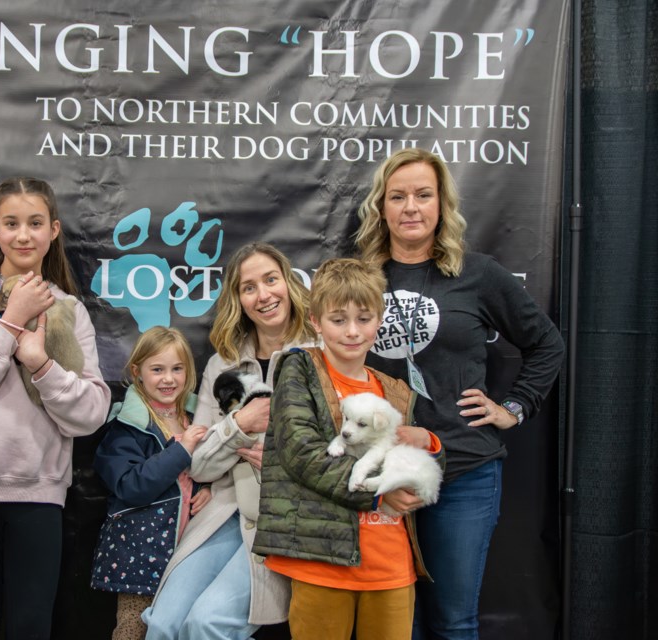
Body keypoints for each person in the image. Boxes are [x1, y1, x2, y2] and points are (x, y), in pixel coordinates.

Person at [355, 147, 565, 639]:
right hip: (383, 474)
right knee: (395, 622)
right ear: (381, 207)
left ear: (441, 204)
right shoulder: (360, 278)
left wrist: (513, 407)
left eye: (423, 195)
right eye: (398, 196)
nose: (411, 207)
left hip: (463, 471)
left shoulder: (478, 274)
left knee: (452, 621)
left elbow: (546, 344)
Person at [0, 176, 111, 640]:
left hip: (38, 489)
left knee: (31, 625)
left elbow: (90, 413)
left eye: (34, 223)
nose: (23, 235)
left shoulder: (69, 308)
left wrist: (40, 363)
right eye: (11, 223)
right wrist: (10, 321)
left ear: (53, 230)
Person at [253, 258, 444, 640]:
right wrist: (378, 496)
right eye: (339, 320)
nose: (353, 332)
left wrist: (431, 446)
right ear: (315, 321)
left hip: (391, 565)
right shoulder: (300, 368)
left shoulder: (396, 389)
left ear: (380, 319)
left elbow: (417, 456)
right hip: (322, 562)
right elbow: (301, 454)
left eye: (364, 318)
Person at [143, 242, 316, 640]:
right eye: (249, 287)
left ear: (289, 283)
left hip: (285, 518)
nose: (264, 295)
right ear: (238, 299)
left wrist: (270, 456)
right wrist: (239, 423)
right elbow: (200, 463)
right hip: (225, 509)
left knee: (208, 623)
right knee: (164, 624)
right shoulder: (224, 363)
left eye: (271, 280)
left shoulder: (319, 353)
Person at [91, 326, 213, 640]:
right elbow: (133, 486)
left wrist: (207, 490)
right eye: (157, 369)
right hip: (141, 557)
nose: (168, 379)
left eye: (177, 369)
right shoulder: (127, 426)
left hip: (189, 555)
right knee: (134, 630)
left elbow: (208, 471)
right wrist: (182, 448)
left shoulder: (197, 418)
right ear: (138, 372)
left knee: (183, 630)